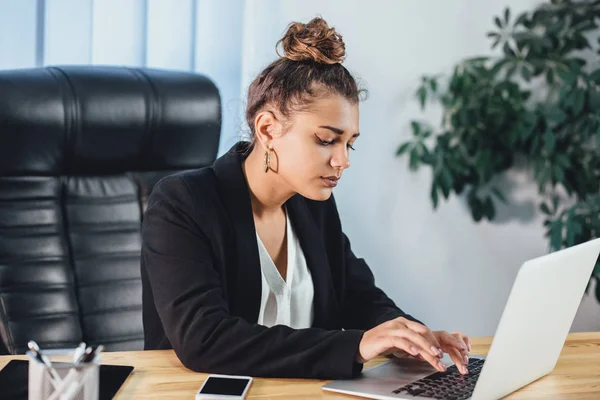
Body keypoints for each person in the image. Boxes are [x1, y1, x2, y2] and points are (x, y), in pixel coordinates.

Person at [140, 16, 471, 380]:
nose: (342, 160)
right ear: (267, 129)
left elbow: (357, 294)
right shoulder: (182, 203)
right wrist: (357, 346)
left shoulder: (313, 204)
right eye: (326, 140)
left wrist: (410, 335)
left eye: (349, 144)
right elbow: (204, 339)